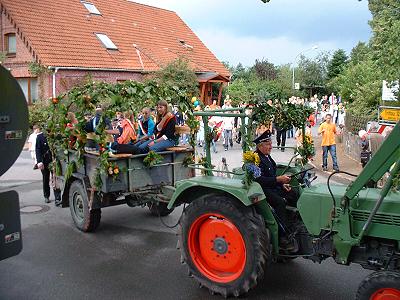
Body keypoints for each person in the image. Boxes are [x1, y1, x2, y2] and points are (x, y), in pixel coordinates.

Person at [253, 131, 298, 251]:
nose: (271, 146)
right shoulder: (255, 159)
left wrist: (282, 185)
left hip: (273, 187)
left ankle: (292, 223)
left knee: (293, 193)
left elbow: (272, 174)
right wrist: (278, 179)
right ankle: (282, 236)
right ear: (260, 146)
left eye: (270, 143)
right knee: (280, 202)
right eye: (268, 144)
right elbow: (259, 180)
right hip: (263, 190)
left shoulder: (267, 156)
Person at [35, 127, 61, 205]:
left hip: (54, 161)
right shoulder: (40, 137)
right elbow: (38, 150)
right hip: (44, 162)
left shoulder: (56, 136)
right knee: (45, 179)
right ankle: (46, 196)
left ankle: (57, 198)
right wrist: (39, 162)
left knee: (55, 179)